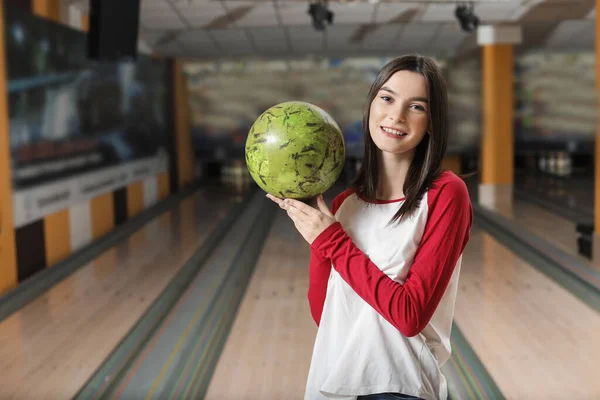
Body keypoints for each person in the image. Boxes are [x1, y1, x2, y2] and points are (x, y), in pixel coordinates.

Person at [266, 54, 473, 400]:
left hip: (399, 386)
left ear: (432, 122)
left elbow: (409, 315)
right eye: (387, 98)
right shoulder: (344, 204)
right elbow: (326, 315)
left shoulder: (446, 194)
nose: (396, 115)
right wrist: (318, 241)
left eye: (416, 106)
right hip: (332, 382)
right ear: (372, 105)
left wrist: (331, 241)